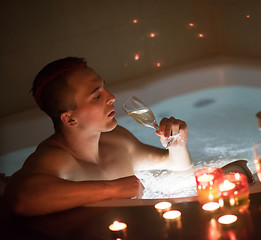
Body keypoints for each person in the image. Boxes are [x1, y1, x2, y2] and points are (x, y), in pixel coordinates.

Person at [3, 57, 192, 216]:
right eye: (96, 96)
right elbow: (20, 198)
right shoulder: (56, 158)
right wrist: (113, 189)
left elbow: (177, 167)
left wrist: (177, 145)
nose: (111, 97)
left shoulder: (116, 139)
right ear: (70, 119)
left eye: (104, 88)